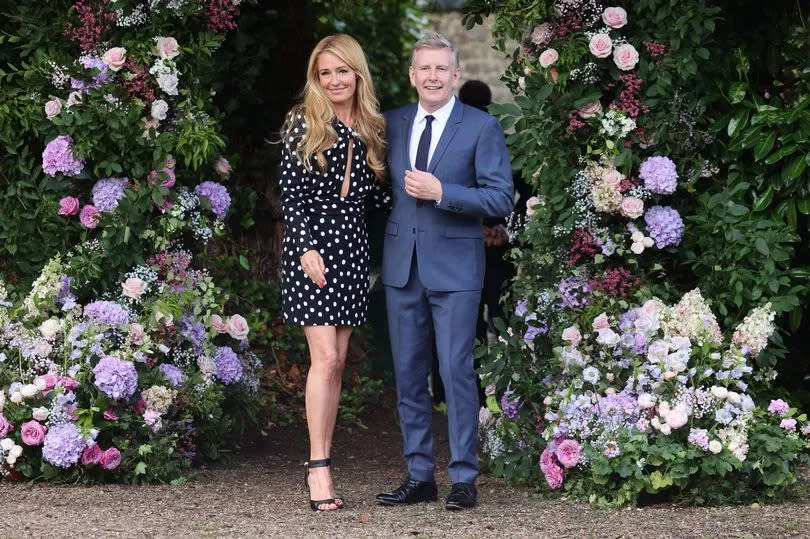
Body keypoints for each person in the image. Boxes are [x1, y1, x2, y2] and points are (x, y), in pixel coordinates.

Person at [376, 31, 514, 510]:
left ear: (456, 75)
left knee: (456, 373)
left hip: (456, 267)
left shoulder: (480, 127)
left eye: (442, 69)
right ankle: (419, 475)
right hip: (402, 268)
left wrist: (443, 192)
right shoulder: (390, 123)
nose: (433, 76)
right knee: (409, 374)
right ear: (412, 75)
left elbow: (500, 198)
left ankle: (463, 478)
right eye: (424, 68)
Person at [279, 34, 389, 512]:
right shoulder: (302, 120)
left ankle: (323, 456)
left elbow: (379, 200)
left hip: (353, 250)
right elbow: (291, 191)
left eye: (342, 70)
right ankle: (318, 468)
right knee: (324, 359)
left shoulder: (371, 127)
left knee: (339, 361)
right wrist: (304, 247)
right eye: (325, 72)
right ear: (316, 78)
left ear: (357, 73)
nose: (335, 80)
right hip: (313, 249)